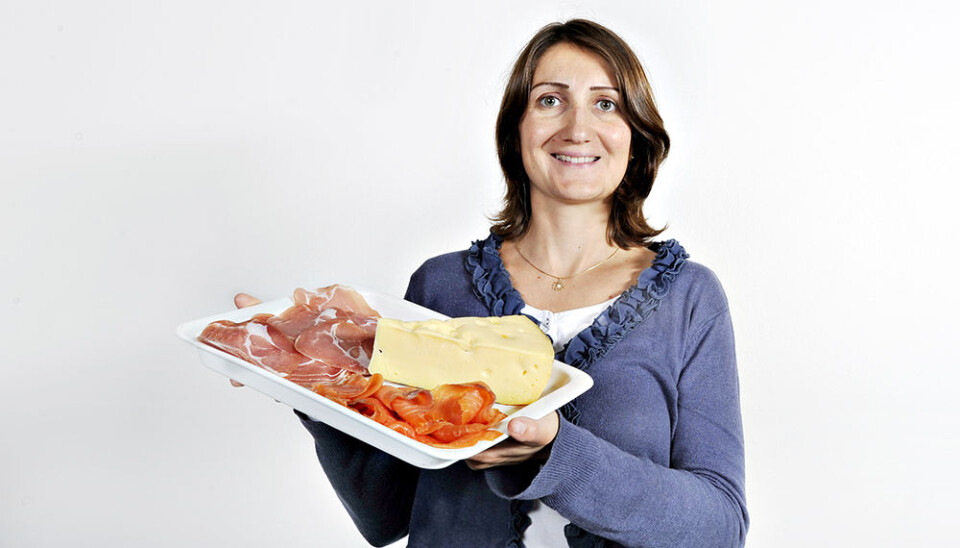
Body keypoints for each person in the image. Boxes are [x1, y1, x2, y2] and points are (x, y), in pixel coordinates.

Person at [238, 18, 747, 548]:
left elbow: (720, 526)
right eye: (550, 100)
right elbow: (386, 514)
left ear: (635, 136)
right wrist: (312, 385)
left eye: (606, 104)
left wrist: (556, 455)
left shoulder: (689, 299)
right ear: (516, 129)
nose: (577, 128)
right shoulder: (440, 286)